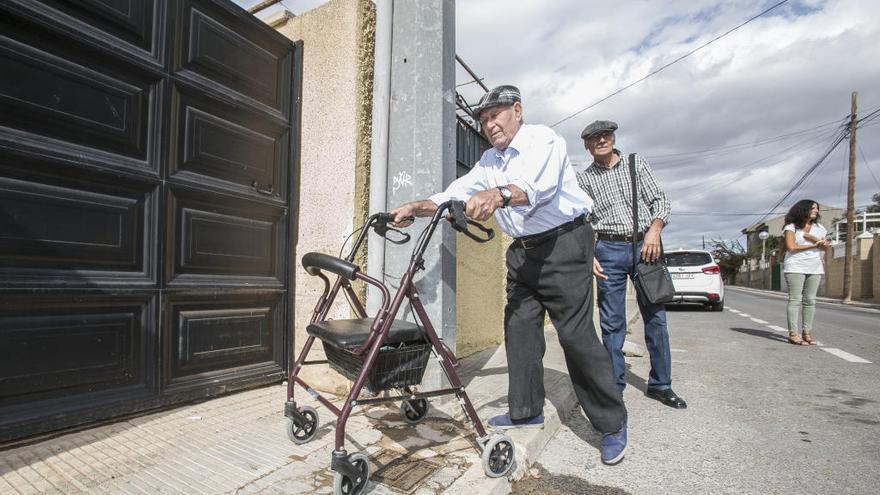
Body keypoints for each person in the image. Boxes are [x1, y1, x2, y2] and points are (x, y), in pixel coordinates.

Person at [389, 85, 628, 465]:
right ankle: (526, 409)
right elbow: (453, 193)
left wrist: (498, 195)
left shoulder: (542, 140)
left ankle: (611, 423)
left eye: (495, 115)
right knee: (518, 329)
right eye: (483, 119)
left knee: (576, 335)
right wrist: (415, 206)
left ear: (517, 110)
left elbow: (536, 188)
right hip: (524, 251)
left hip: (565, 244)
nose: (489, 124)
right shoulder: (488, 162)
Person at [575, 120, 687, 409]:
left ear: (613, 137)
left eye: (606, 135)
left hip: (644, 247)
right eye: (594, 138)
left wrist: (654, 230)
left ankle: (661, 385)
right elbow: (582, 222)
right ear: (586, 146)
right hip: (607, 249)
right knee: (612, 323)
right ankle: (614, 387)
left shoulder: (636, 164)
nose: (601, 140)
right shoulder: (584, 179)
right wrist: (590, 255)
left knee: (656, 318)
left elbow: (660, 200)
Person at [781, 200, 828, 345]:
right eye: (813, 208)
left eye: (817, 209)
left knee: (810, 300)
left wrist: (823, 244)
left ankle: (807, 332)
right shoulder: (791, 227)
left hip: (814, 266)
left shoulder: (820, 228)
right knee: (795, 300)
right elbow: (791, 247)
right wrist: (813, 245)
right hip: (795, 266)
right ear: (803, 210)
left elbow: (824, 248)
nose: (816, 211)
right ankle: (793, 333)